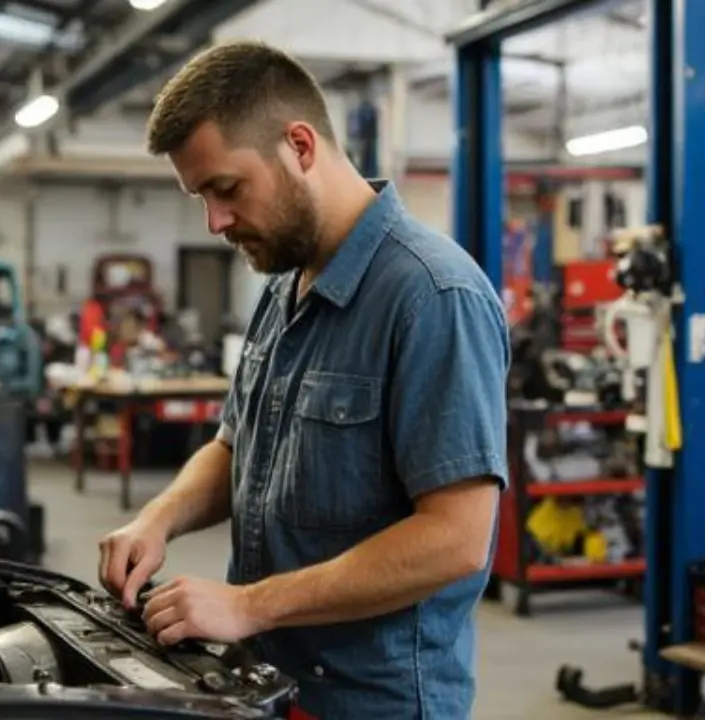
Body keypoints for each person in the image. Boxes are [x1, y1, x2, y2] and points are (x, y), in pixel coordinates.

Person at [97, 40, 509, 719]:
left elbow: (456, 538)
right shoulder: (286, 283)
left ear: (299, 145)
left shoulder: (433, 296)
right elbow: (238, 447)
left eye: (226, 189)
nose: (217, 221)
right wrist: (157, 519)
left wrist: (249, 604)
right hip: (264, 679)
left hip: (370, 703)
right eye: (202, 197)